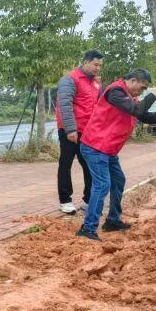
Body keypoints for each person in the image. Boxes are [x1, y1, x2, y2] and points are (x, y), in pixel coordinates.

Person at [76, 69, 156, 241]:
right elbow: (136, 110)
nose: (142, 91)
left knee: (118, 181)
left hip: (108, 149)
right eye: (142, 87)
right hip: (95, 146)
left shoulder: (129, 96)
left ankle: (112, 221)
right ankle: (88, 228)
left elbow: (142, 114)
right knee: (102, 185)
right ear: (133, 81)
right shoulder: (115, 91)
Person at [55, 50, 103, 215]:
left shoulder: (96, 83)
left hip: (88, 131)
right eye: (96, 64)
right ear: (86, 62)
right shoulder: (70, 79)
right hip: (70, 130)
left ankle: (89, 200)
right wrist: (70, 129)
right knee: (66, 163)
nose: (98, 68)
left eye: (100, 65)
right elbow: (64, 105)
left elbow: (98, 106)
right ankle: (65, 200)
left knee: (89, 164)